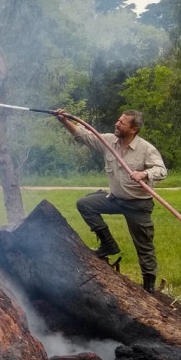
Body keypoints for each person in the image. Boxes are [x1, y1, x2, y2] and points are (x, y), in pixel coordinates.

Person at [55, 109, 168, 293]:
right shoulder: (109, 141)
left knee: (144, 246)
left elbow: (162, 170)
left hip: (138, 205)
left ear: (134, 129)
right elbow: (84, 135)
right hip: (115, 199)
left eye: (122, 123)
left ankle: (148, 287)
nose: (117, 124)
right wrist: (64, 121)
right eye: (118, 120)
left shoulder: (146, 149)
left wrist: (145, 173)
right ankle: (108, 244)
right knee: (85, 204)